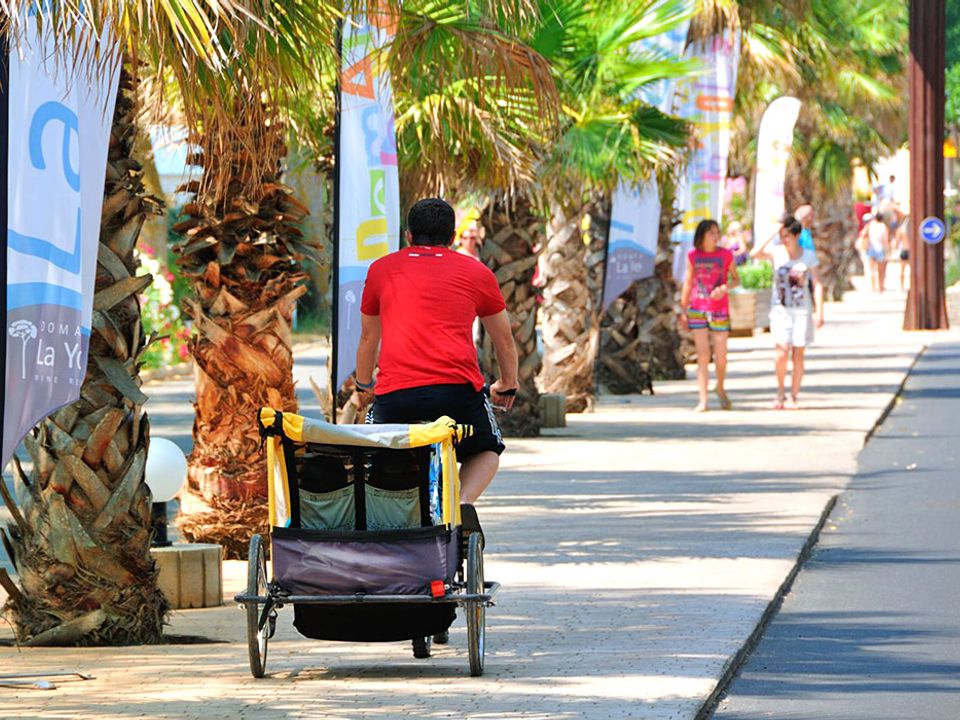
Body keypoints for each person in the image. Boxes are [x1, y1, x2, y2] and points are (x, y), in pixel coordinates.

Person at [355, 198, 519, 504]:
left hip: (397, 397)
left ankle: (393, 518)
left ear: (408, 236)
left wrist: (364, 385)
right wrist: (507, 384)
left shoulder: (381, 270)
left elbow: (368, 339)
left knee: (380, 458)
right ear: (453, 237)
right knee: (485, 450)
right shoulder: (477, 272)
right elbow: (504, 339)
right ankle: (460, 505)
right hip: (457, 395)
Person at [752, 216, 825, 410]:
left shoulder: (808, 255)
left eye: (787, 236)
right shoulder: (777, 253)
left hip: (802, 310)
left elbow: (817, 283)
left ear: (797, 235)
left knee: (798, 353)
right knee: (781, 351)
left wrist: (820, 312)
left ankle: (794, 396)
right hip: (780, 310)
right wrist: (774, 231)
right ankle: (780, 392)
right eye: (782, 236)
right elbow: (755, 253)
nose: (784, 240)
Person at [679, 219, 740, 412]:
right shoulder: (693, 255)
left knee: (720, 356)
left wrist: (725, 288)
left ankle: (720, 387)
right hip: (698, 308)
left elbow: (736, 279)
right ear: (702, 235)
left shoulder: (725, 255)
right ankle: (703, 400)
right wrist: (682, 309)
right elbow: (688, 282)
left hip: (719, 310)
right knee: (703, 355)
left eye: (717, 232)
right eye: (711, 233)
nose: (715, 236)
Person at [858, 212, 890, 292]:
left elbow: (862, 234)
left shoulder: (869, 226)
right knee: (880, 270)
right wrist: (887, 250)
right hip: (880, 249)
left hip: (871, 249)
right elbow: (885, 240)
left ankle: (873, 287)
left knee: (872, 269)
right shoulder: (883, 226)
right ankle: (880, 287)